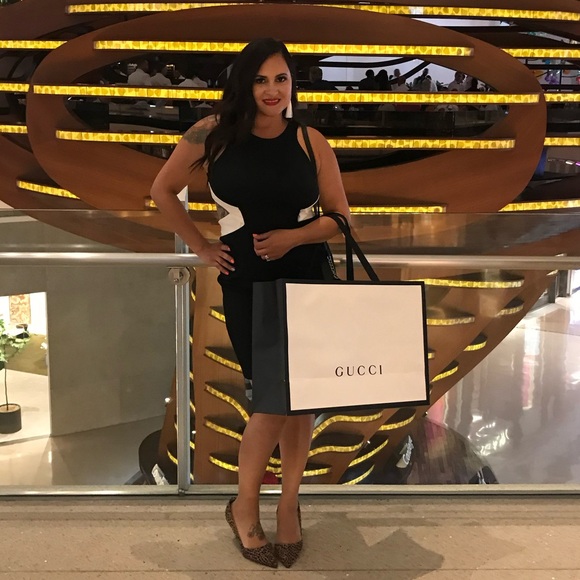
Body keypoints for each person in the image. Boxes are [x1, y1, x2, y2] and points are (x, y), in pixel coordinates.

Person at [150, 38, 350, 569]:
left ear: (292, 84)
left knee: (302, 402)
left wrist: (293, 237)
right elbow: (162, 189)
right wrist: (200, 247)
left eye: (281, 79)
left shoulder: (309, 140)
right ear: (244, 84)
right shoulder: (211, 133)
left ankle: (287, 506)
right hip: (247, 286)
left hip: (307, 281)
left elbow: (340, 217)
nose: (272, 90)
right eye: (261, 79)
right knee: (270, 403)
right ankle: (244, 505)